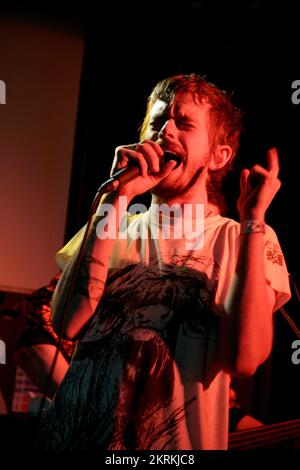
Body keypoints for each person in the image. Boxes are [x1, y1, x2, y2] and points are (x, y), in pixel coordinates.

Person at [36, 73, 291, 450]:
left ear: (220, 155)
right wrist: (115, 197)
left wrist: (254, 221)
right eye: (157, 122)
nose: (166, 131)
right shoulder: (112, 222)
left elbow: (245, 359)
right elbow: (67, 322)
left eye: (184, 123)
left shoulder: (240, 238)